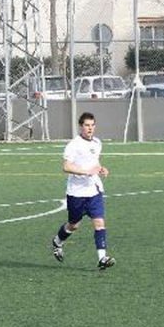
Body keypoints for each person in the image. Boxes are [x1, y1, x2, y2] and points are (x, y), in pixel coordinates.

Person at [50, 112, 116, 270]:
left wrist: (101, 169)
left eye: (92, 125)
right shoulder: (74, 145)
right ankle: (57, 242)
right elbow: (66, 167)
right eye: (87, 125)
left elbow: (95, 162)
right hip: (77, 192)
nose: (90, 128)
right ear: (81, 126)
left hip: (94, 190)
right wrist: (86, 172)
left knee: (99, 223)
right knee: (73, 225)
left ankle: (102, 258)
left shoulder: (97, 143)